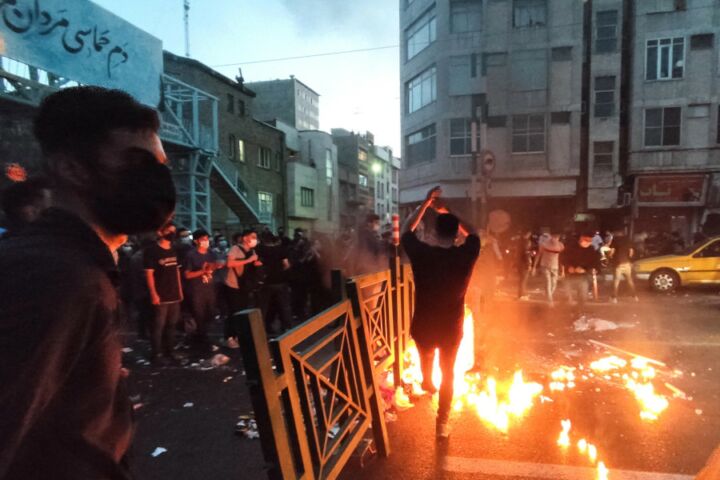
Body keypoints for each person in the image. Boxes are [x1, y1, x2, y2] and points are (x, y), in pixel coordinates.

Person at [0, 86, 175, 479]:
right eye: (135, 162)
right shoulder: (55, 277)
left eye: (159, 165)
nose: (155, 180)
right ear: (72, 168)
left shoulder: (80, 264)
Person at [401, 186, 480, 440]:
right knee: (448, 372)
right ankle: (442, 423)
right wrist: (449, 209)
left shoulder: (423, 254)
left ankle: (426, 379)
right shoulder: (465, 255)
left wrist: (425, 204)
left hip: (423, 325)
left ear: (433, 233)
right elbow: (475, 232)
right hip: (451, 327)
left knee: (425, 353)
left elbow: (406, 231)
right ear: (457, 234)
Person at [144, 222, 184, 364]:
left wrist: (180, 291)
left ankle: (170, 351)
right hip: (161, 295)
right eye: (169, 231)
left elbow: (177, 271)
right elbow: (149, 274)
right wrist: (153, 293)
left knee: (171, 325)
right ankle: (156, 354)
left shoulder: (174, 250)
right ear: (160, 232)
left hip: (174, 294)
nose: (171, 234)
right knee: (158, 326)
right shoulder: (152, 251)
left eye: (173, 231)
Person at [183, 229, 223, 345]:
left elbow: (214, 266)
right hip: (196, 290)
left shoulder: (211, 253)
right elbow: (187, 274)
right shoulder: (191, 255)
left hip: (209, 288)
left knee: (209, 313)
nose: (206, 241)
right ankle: (199, 339)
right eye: (203, 239)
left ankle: (201, 336)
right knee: (198, 315)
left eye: (207, 239)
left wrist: (217, 266)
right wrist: (202, 271)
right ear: (196, 241)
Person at [223, 229, 262, 347]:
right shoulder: (235, 249)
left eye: (256, 237)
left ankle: (239, 336)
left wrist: (255, 264)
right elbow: (229, 264)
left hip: (245, 286)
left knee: (242, 311)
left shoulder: (252, 251)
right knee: (233, 311)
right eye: (253, 237)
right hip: (233, 284)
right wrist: (249, 260)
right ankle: (229, 337)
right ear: (245, 238)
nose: (255, 239)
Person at [257, 230, 293, 335]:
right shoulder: (281, 250)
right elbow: (286, 265)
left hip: (265, 282)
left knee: (264, 307)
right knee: (284, 306)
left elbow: (257, 264)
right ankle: (287, 328)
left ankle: (261, 329)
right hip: (280, 281)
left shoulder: (260, 249)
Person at [561, 232, 602, 309]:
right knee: (567, 297)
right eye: (586, 240)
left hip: (583, 277)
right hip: (569, 277)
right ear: (581, 238)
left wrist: (586, 269)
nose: (588, 242)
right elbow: (563, 258)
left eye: (590, 240)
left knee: (583, 297)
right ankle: (566, 312)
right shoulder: (570, 248)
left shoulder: (591, 250)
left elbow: (595, 263)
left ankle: (579, 311)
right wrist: (569, 267)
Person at [533, 231, 565, 306]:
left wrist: (563, 270)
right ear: (551, 237)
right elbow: (539, 255)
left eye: (557, 237)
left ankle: (548, 295)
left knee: (554, 284)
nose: (555, 239)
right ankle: (550, 301)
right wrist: (534, 266)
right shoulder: (544, 245)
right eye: (554, 237)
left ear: (559, 238)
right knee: (548, 282)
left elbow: (562, 259)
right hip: (545, 265)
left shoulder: (560, 246)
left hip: (555, 267)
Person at [609, 229, 638, 303]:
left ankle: (614, 298)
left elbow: (612, 252)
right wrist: (629, 259)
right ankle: (635, 296)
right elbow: (631, 252)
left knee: (616, 281)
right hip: (627, 263)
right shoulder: (628, 240)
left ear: (617, 233)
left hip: (618, 264)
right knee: (630, 280)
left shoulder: (615, 240)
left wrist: (610, 256)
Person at [517, 229, 534, 301]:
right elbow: (526, 254)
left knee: (521, 280)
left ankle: (521, 294)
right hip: (524, 264)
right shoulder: (526, 242)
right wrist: (529, 264)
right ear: (527, 234)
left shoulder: (519, 241)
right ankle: (521, 295)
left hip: (519, 263)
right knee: (524, 280)